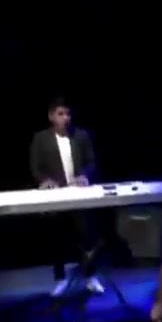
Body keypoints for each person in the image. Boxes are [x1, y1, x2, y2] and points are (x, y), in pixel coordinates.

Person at [28, 97, 102, 296]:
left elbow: (91, 162)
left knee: (87, 238)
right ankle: (60, 279)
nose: (65, 118)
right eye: (60, 114)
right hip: (56, 197)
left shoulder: (81, 136)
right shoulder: (41, 138)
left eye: (68, 114)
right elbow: (36, 167)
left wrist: (85, 176)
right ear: (51, 116)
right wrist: (45, 181)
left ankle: (90, 277)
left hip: (79, 195)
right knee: (58, 239)